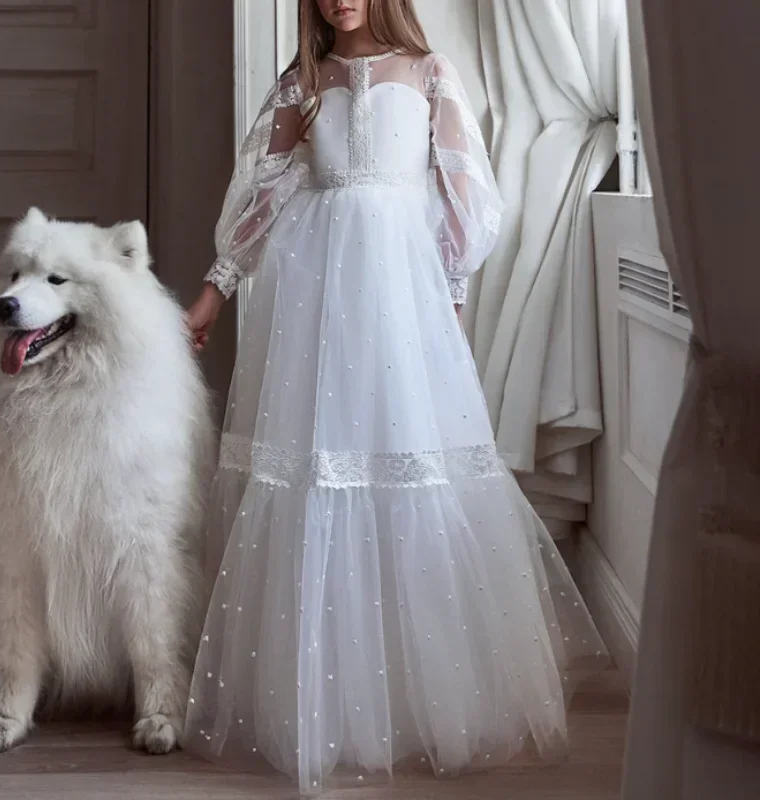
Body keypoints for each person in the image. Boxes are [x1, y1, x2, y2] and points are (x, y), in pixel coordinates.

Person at [184, 0, 608, 793]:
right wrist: (215, 290)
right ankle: (323, 700)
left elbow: (461, 197)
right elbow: (264, 194)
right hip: (317, 299)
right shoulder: (302, 83)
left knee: (409, 461)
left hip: (400, 300)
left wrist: (447, 297)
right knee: (319, 467)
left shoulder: (430, 74)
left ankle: (422, 696)